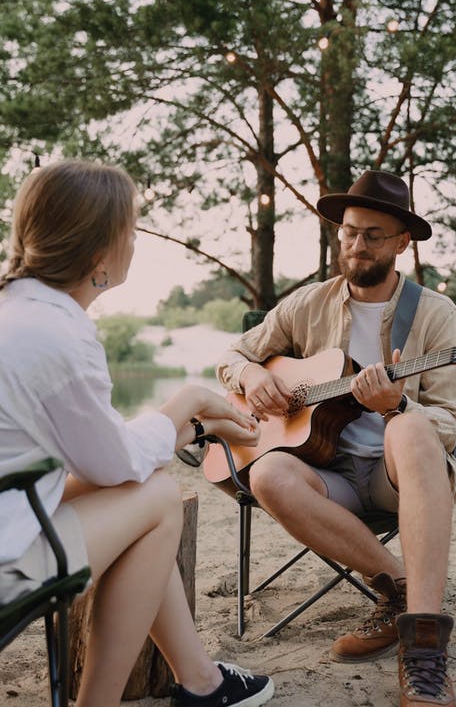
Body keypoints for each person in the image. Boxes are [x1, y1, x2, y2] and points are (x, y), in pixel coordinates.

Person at [0, 160, 275, 707]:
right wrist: (189, 406)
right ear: (99, 254)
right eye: (132, 229)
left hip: (12, 504)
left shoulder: (15, 312)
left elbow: (93, 454)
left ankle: (201, 681)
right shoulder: (58, 335)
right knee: (156, 497)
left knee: (136, 494)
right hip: (7, 560)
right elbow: (114, 465)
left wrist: (187, 425)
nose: (135, 242)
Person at [217, 170, 456, 707]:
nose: (356, 245)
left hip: (397, 479)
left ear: (402, 242)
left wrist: (398, 406)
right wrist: (254, 376)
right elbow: (233, 356)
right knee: (267, 472)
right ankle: (401, 593)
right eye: (350, 232)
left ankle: (423, 652)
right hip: (330, 471)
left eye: (373, 235)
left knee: (413, 427)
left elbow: (451, 419)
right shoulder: (306, 303)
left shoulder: (435, 313)